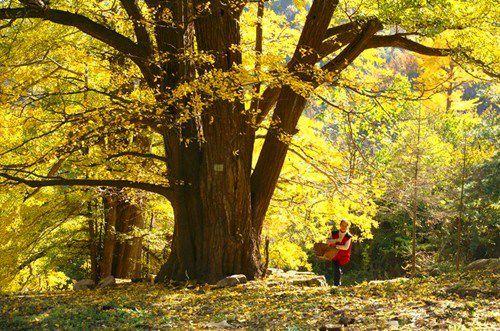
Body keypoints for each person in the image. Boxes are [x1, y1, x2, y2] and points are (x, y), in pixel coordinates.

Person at [314, 219, 352, 286]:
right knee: (336, 268)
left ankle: (337, 283)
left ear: (347, 227)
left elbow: (346, 247)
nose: (344, 227)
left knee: (337, 268)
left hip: (343, 255)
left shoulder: (348, 236)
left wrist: (337, 246)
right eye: (342, 225)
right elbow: (328, 242)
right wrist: (337, 240)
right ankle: (336, 284)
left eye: (345, 226)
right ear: (340, 225)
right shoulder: (334, 233)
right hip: (333, 254)